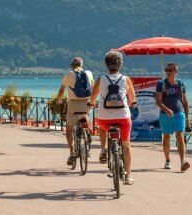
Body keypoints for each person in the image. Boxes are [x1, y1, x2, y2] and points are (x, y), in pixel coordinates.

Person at [88, 50, 137, 185]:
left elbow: (93, 97)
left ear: (106, 65)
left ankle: (103, 149)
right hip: (123, 117)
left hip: (104, 117)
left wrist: (91, 103)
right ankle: (128, 176)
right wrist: (132, 103)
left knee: (102, 126)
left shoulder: (101, 79)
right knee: (126, 146)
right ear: (120, 64)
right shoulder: (126, 79)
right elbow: (132, 98)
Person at [56, 57, 94, 167]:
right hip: (86, 103)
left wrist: (59, 99)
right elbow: (93, 87)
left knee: (69, 128)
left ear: (72, 65)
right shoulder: (89, 73)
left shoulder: (69, 74)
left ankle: (72, 153)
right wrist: (93, 100)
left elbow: (62, 89)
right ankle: (88, 135)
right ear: (82, 65)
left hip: (73, 103)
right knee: (86, 117)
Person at [156, 62, 191, 172]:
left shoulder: (180, 84)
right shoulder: (161, 84)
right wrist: (166, 109)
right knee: (166, 137)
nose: (168, 72)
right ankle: (167, 160)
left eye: (170, 70)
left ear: (176, 71)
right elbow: (158, 101)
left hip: (179, 113)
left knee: (180, 135)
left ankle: (183, 161)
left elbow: (185, 102)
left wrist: (187, 118)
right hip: (164, 114)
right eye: (166, 70)